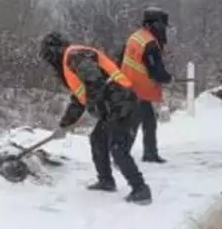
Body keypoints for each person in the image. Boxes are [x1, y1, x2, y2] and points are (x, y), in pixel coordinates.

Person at [39, 32, 151, 205]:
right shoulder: (71, 62)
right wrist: (64, 125)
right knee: (98, 139)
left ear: (53, 52)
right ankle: (106, 180)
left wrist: (94, 104)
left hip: (122, 103)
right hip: (112, 106)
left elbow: (95, 82)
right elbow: (79, 99)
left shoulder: (75, 57)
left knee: (118, 148)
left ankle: (140, 189)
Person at [119, 6, 173, 163]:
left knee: (148, 121)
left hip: (129, 86)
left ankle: (149, 153)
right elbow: (155, 71)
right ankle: (122, 155)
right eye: (163, 27)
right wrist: (168, 78)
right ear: (155, 25)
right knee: (135, 123)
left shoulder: (136, 37)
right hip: (138, 89)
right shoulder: (149, 44)